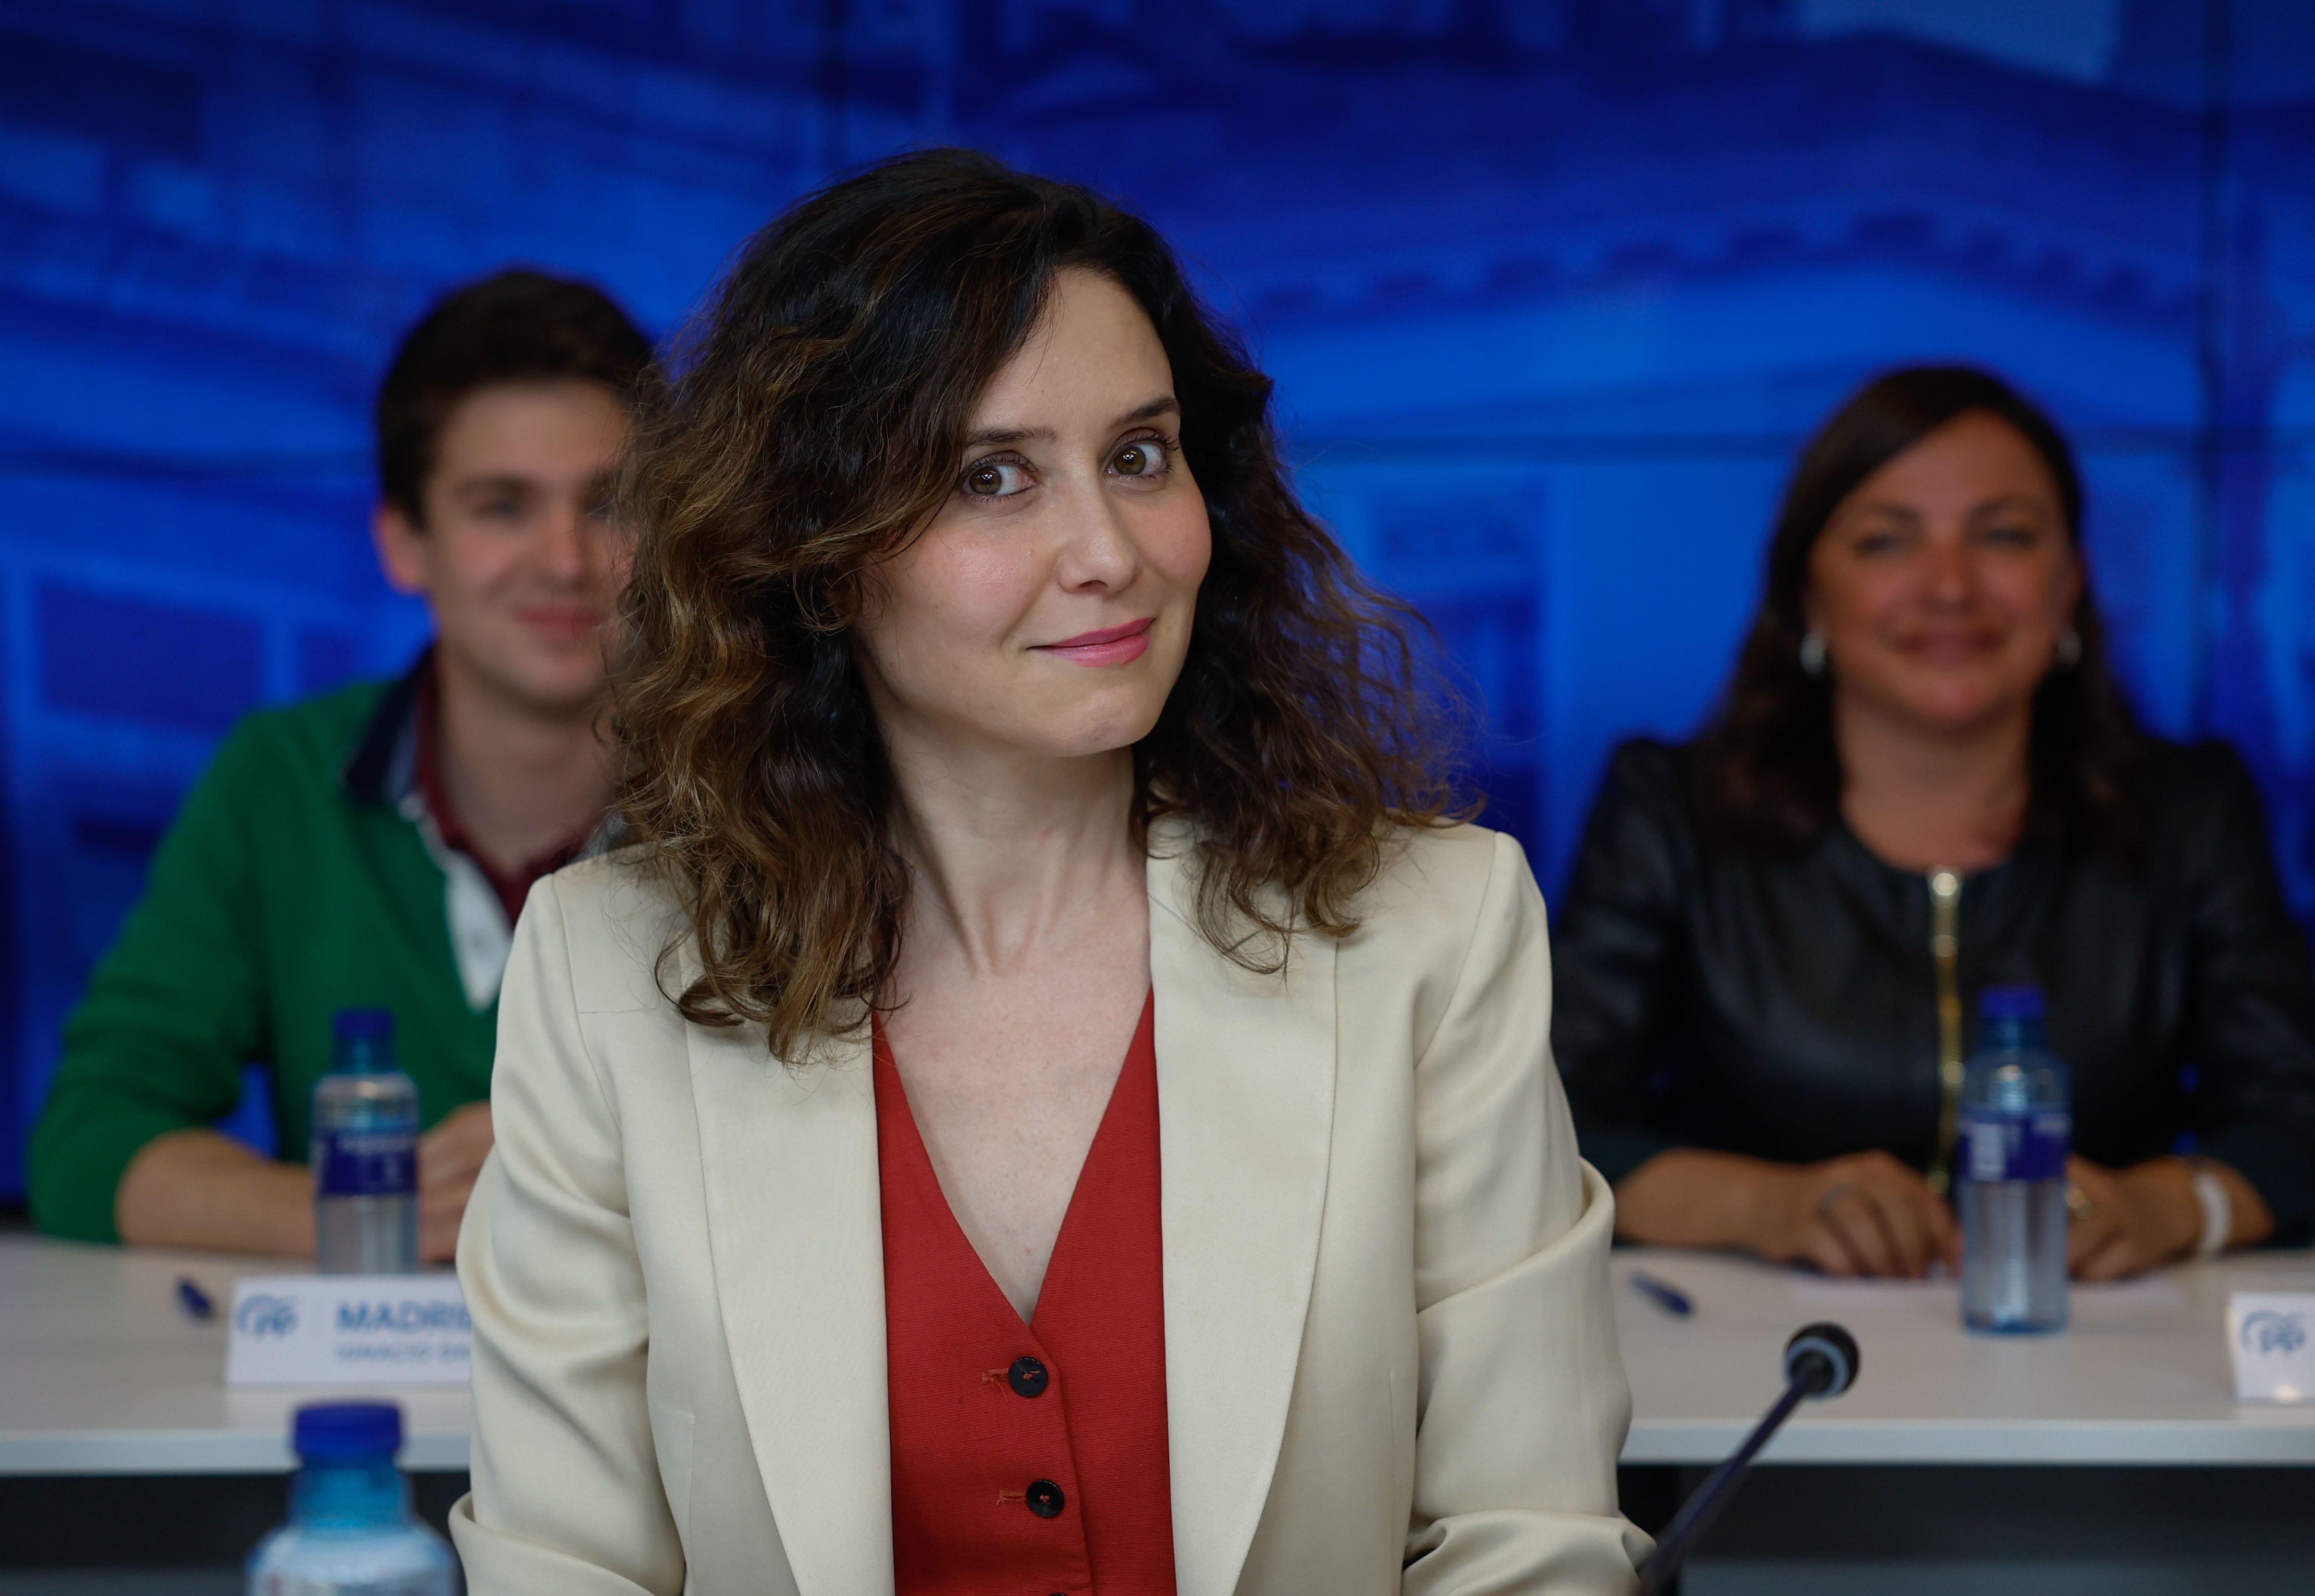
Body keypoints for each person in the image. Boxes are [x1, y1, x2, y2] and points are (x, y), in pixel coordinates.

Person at [451, 150, 1646, 1594]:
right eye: (990, 477)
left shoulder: (1434, 933)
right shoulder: (602, 969)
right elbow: (561, 1568)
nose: (1108, 551)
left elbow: (1531, 1543)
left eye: (1139, 456)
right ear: (821, 559)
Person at [1553, 365, 2315, 1283]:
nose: (1948, 587)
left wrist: (2166, 1206)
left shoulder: (2186, 810)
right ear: (1807, 598)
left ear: (2070, 584)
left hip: (2101, 1369)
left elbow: (2312, 1135)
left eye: (2004, 536)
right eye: (1885, 542)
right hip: (1763, 1363)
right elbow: (1551, 1131)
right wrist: (1764, 1204)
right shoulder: (1670, 810)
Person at [27, 270, 649, 1262]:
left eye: (612, 505)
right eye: (502, 507)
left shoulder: (765, 789)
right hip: (356, 1397)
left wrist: (622, 1170)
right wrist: (376, 1209)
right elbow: (86, 1144)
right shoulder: (277, 778)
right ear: (404, 543)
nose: (566, 561)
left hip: (665, 1408)